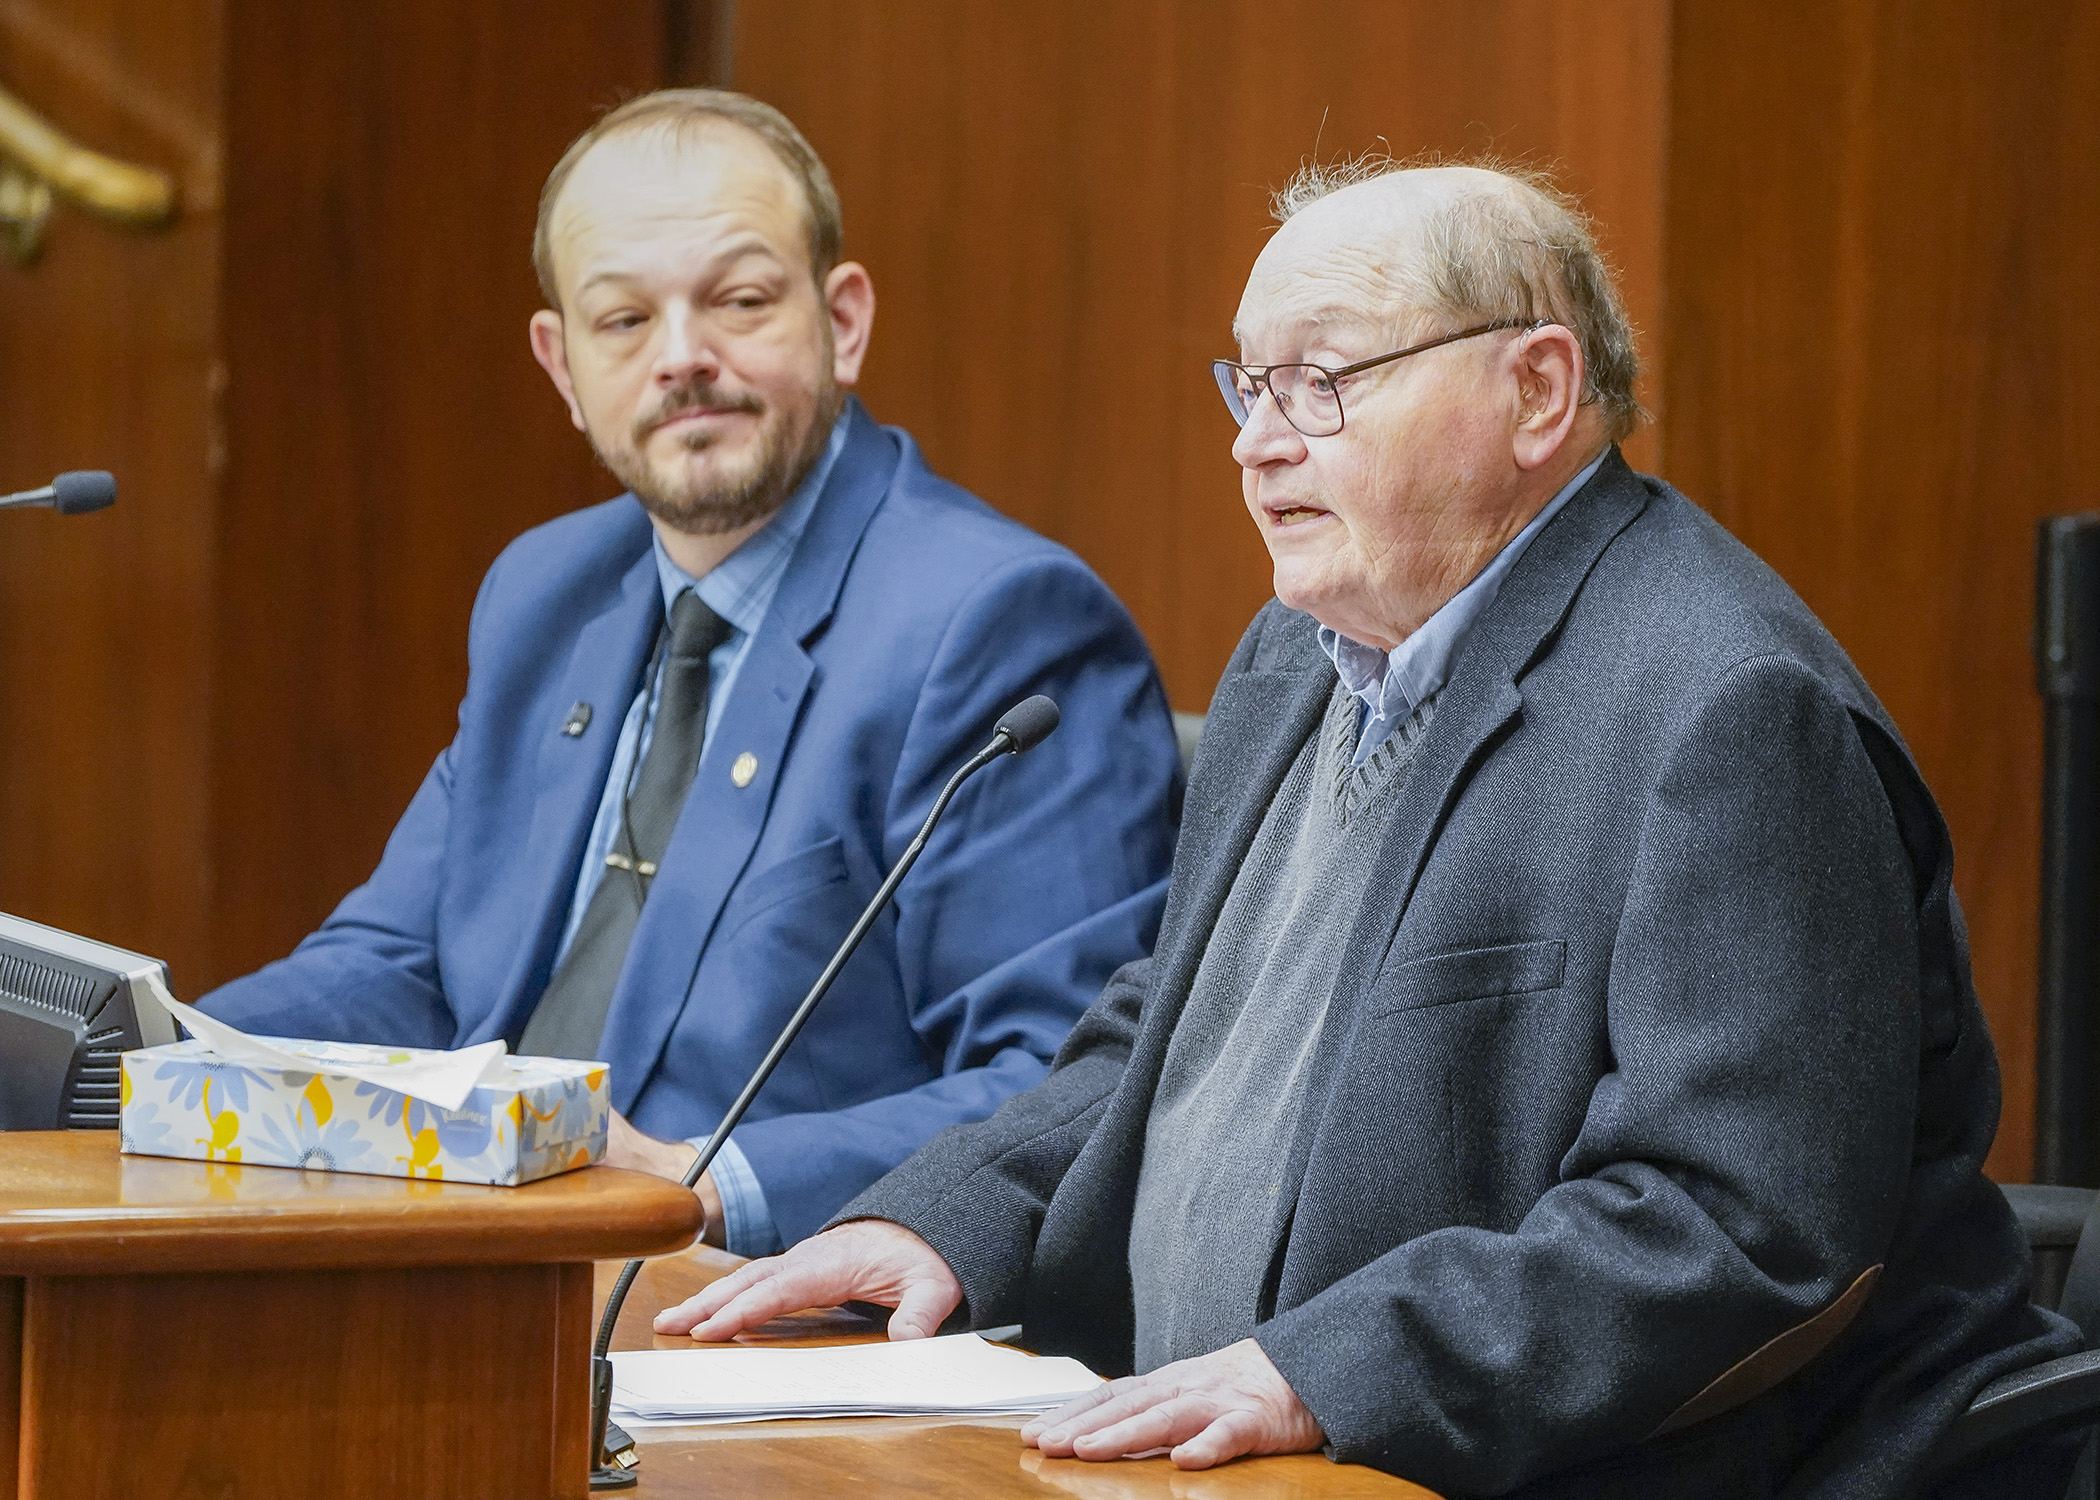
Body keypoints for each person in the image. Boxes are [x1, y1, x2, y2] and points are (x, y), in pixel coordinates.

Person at [654, 158, 2079, 1496]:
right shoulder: (1297, 655)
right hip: (1205, 1450)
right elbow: (1176, 1035)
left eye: (1321, 382)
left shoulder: (1729, 710)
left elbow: (1738, 1228)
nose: (1255, 442)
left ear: (1537, 389)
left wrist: (1323, 1372)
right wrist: (944, 1217)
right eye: (1249, 384)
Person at [196, 90, 1182, 1256]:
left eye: (741, 301)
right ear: (563, 366)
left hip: (755, 1319)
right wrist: (149, 1058)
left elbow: (1067, 1081)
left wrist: (704, 1185)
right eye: (623, 321)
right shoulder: (546, 591)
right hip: (480, 1275)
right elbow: (403, 966)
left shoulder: (995, 622)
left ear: (843, 319)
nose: (683, 360)